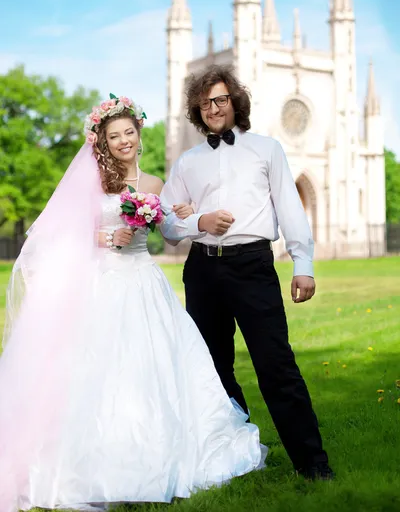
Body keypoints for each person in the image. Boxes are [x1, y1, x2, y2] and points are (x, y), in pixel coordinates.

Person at [0, 95, 267, 512]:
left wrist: (192, 216)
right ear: (102, 142)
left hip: (144, 283)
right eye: (114, 135)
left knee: (155, 367)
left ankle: (159, 456)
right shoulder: (93, 184)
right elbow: (59, 235)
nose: (124, 140)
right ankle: (95, 464)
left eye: (129, 132)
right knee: (98, 371)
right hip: (101, 284)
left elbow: (171, 230)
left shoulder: (155, 184)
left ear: (139, 134)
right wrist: (107, 238)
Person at [160, 65, 334, 480]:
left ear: (234, 101)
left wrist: (303, 264)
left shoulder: (268, 149)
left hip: (253, 267)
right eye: (204, 104)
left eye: (220, 100)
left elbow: (290, 209)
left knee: (276, 366)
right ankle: (236, 453)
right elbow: (166, 223)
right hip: (201, 270)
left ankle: (313, 466)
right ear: (196, 111)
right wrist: (199, 222)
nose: (213, 108)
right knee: (214, 369)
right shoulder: (187, 162)